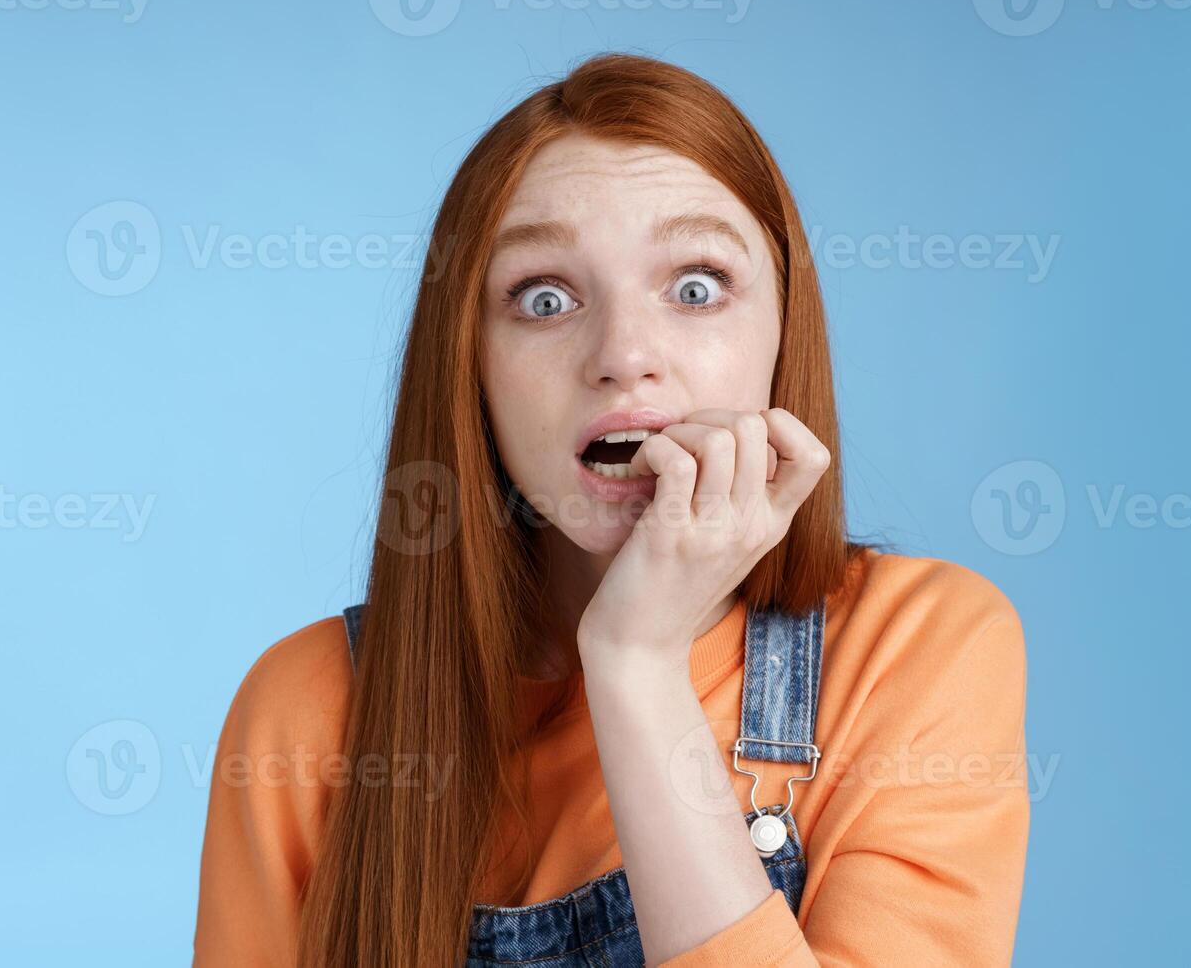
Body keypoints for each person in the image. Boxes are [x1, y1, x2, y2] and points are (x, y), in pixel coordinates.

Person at [195, 53, 1029, 967]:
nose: (625, 355)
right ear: (468, 364)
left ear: (784, 331)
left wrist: (634, 660)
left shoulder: (921, 647)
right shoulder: (308, 711)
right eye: (544, 298)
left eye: (696, 286)